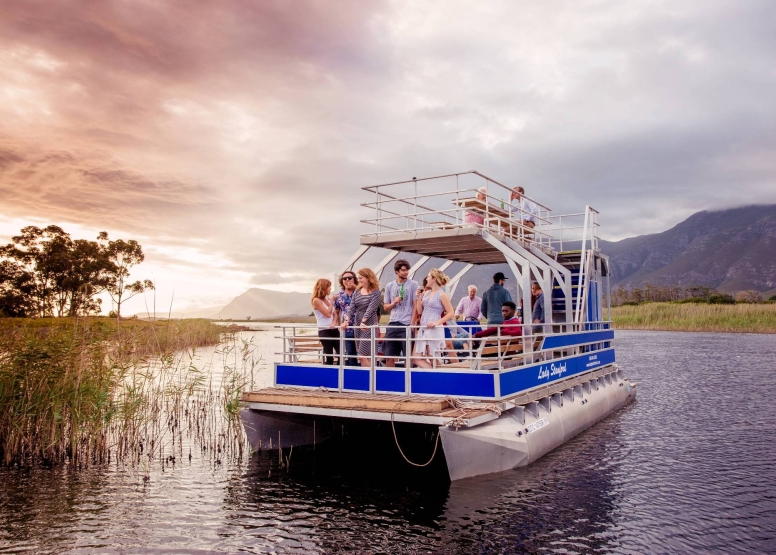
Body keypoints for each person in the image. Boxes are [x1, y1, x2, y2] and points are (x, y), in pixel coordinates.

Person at [411, 269, 455, 369]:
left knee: (433, 358)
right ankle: (433, 374)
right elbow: (420, 311)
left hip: (434, 329)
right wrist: (418, 298)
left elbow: (451, 312)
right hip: (424, 328)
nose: (427, 278)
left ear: (434, 279)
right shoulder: (427, 293)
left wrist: (437, 322)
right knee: (416, 358)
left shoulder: (442, 294)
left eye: (428, 277)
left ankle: (438, 378)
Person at [342, 267, 382, 368]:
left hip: (369, 324)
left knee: (362, 355)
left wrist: (363, 321)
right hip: (358, 323)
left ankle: (370, 376)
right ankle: (371, 376)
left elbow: (371, 308)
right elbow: (352, 307)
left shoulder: (376, 292)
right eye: (358, 278)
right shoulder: (358, 291)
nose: (358, 280)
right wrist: (346, 321)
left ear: (368, 278)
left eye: (361, 278)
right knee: (364, 354)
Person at [382, 259, 419, 367]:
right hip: (393, 323)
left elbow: (416, 306)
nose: (406, 272)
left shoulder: (413, 284)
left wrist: (412, 325)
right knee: (389, 356)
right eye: (403, 270)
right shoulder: (390, 286)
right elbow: (386, 307)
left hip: (406, 324)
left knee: (408, 356)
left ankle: (407, 381)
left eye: (407, 270)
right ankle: (391, 381)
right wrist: (394, 302)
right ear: (396, 271)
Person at [311, 278, 339, 365]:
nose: (330, 289)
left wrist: (334, 322)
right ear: (323, 288)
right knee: (329, 356)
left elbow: (335, 314)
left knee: (340, 354)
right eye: (329, 287)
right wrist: (332, 302)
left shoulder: (327, 299)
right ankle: (329, 373)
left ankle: (340, 374)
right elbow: (327, 314)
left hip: (334, 330)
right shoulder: (316, 300)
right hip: (324, 331)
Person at [334, 270, 358, 366]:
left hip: (360, 328)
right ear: (342, 281)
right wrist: (338, 326)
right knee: (350, 354)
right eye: (345, 278)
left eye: (350, 278)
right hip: (347, 329)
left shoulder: (360, 292)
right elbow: (336, 313)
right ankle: (353, 376)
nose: (347, 280)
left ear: (354, 279)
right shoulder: (338, 296)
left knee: (364, 354)